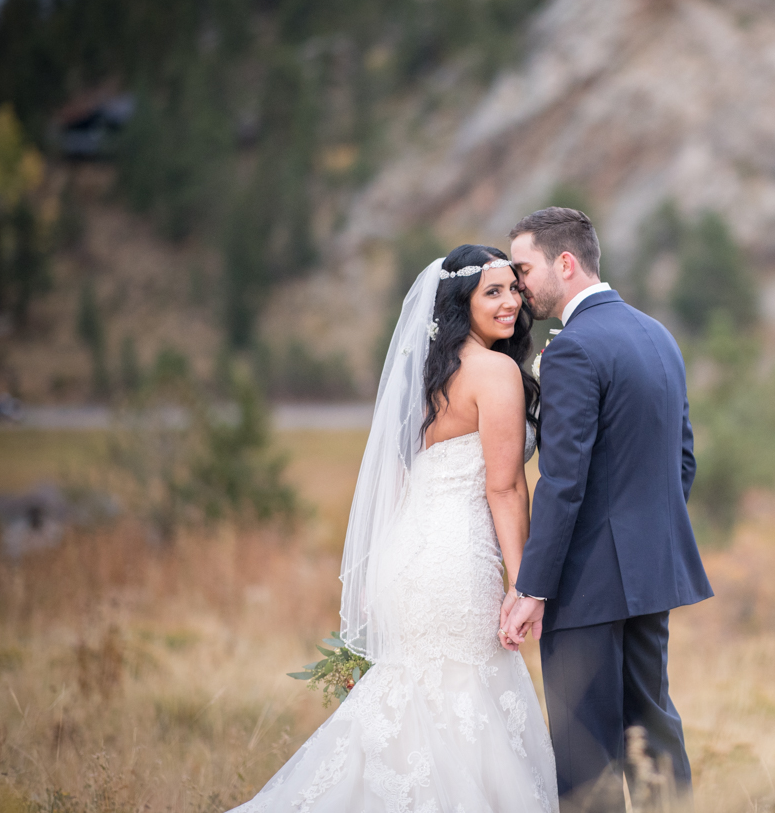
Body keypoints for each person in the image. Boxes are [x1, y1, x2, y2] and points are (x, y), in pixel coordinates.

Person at [229, 245, 559, 813]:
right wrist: (524, 582)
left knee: (415, 699)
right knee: (461, 698)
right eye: (493, 293)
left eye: (513, 289)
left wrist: (374, 562)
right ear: (461, 303)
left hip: (407, 558)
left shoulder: (432, 371)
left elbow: (405, 479)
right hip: (456, 561)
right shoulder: (496, 372)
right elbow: (503, 488)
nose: (512, 303)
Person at [502, 207, 713, 812]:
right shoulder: (657, 335)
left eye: (524, 269)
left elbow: (562, 483)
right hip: (650, 576)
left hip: (588, 583)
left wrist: (534, 585)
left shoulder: (573, 350)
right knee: (652, 733)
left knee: (584, 753)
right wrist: (645, 541)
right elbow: (683, 460)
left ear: (564, 263)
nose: (519, 285)